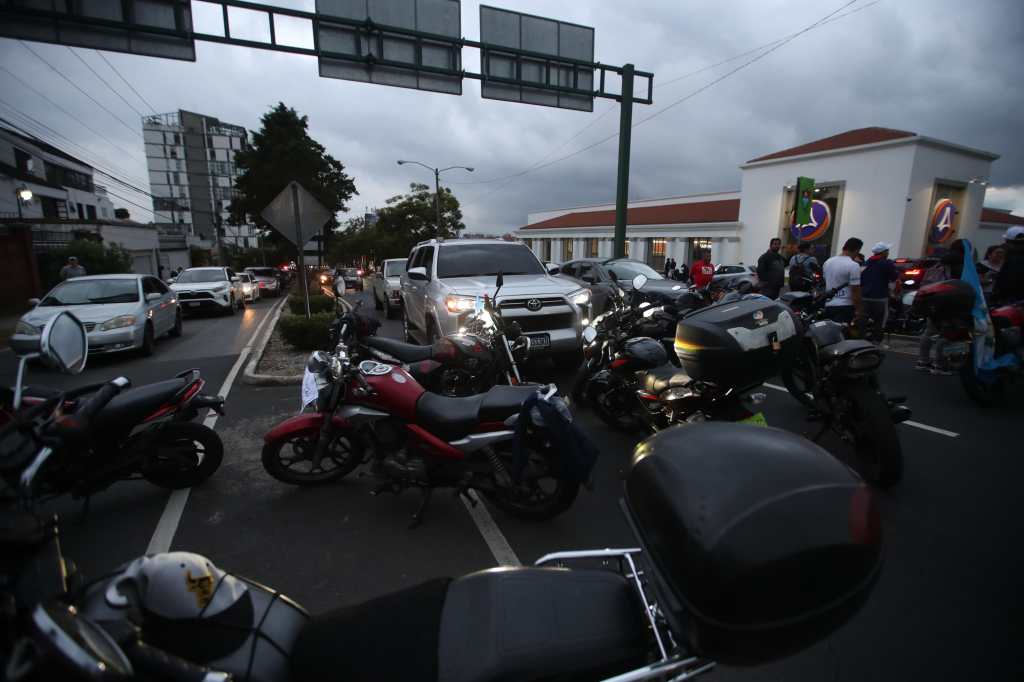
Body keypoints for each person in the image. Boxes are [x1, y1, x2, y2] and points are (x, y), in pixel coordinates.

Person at [916, 239, 968, 374]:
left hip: (935, 300)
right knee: (947, 333)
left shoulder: (941, 261)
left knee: (929, 331)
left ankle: (923, 360)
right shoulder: (962, 263)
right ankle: (939, 364)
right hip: (951, 302)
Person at [861, 242, 900, 344]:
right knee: (880, 320)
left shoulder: (866, 262)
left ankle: (861, 340)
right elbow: (894, 278)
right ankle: (877, 341)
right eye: (887, 251)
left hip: (864, 297)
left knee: (863, 320)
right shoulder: (887, 263)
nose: (888, 253)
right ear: (883, 252)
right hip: (880, 298)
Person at [822, 237, 864, 324]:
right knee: (842, 334)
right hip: (845, 305)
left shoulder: (828, 262)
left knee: (830, 333)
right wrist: (858, 310)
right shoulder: (853, 265)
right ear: (857, 250)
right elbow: (855, 290)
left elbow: (825, 281)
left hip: (829, 304)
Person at [993, 226, 1024, 304]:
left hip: (1011, 302)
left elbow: (1007, 282)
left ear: (1009, 242)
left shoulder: (1012, 259)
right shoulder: (1012, 257)